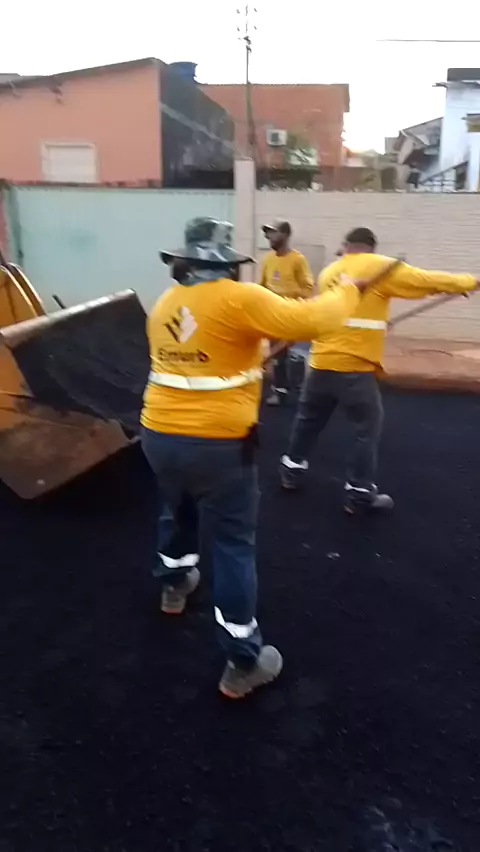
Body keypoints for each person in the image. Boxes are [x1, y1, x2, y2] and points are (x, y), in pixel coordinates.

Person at [140, 217, 365, 699]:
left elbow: (202, 357)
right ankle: (244, 660)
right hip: (217, 446)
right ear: (225, 263)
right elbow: (316, 320)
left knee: (177, 510)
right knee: (233, 544)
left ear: (184, 261)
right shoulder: (240, 298)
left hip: (158, 436)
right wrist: (348, 289)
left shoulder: (164, 304)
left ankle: (174, 584)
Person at [280, 227, 479, 514]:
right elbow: (424, 281)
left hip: (321, 363)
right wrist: (469, 282)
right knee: (365, 429)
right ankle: (359, 494)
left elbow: (346, 313)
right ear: (371, 246)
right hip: (354, 368)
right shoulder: (379, 267)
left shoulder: (329, 272)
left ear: (347, 245)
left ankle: (291, 471)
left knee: (307, 421)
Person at [260, 220, 314, 406]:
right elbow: (262, 287)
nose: (269, 237)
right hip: (274, 316)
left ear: (285, 235)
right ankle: (280, 392)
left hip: (293, 315)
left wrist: (286, 295)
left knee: (296, 357)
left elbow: (308, 289)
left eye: (273, 232)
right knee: (277, 358)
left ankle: (301, 394)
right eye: (267, 233)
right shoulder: (268, 259)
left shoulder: (297, 260)